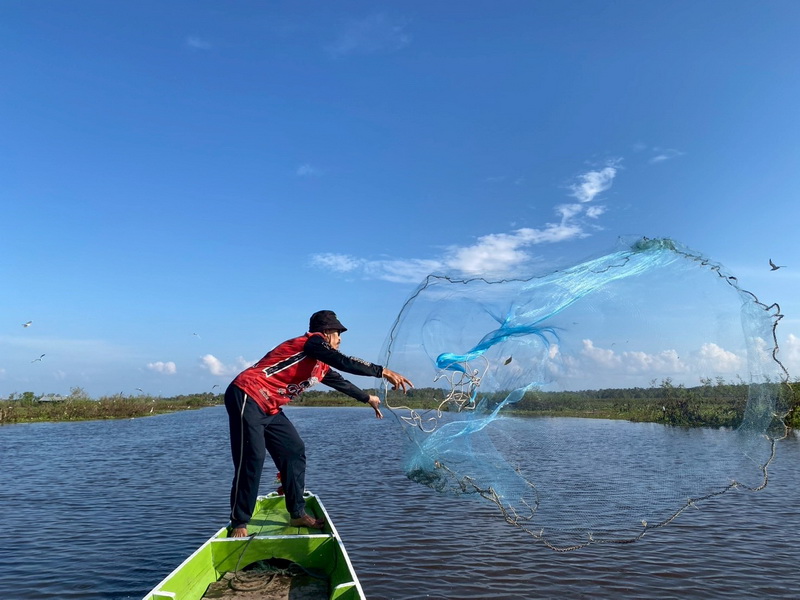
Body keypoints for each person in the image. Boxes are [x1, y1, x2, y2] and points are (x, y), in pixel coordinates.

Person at [224, 310, 413, 536]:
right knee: (252, 458)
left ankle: (297, 514)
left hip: (270, 407)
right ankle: (240, 522)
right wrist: (382, 371)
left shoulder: (320, 366)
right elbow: (344, 362)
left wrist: (368, 399)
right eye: (338, 334)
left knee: (294, 450)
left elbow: (342, 383)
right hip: (248, 394)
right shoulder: (311, 343)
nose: (340, 339)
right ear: (326, 333)